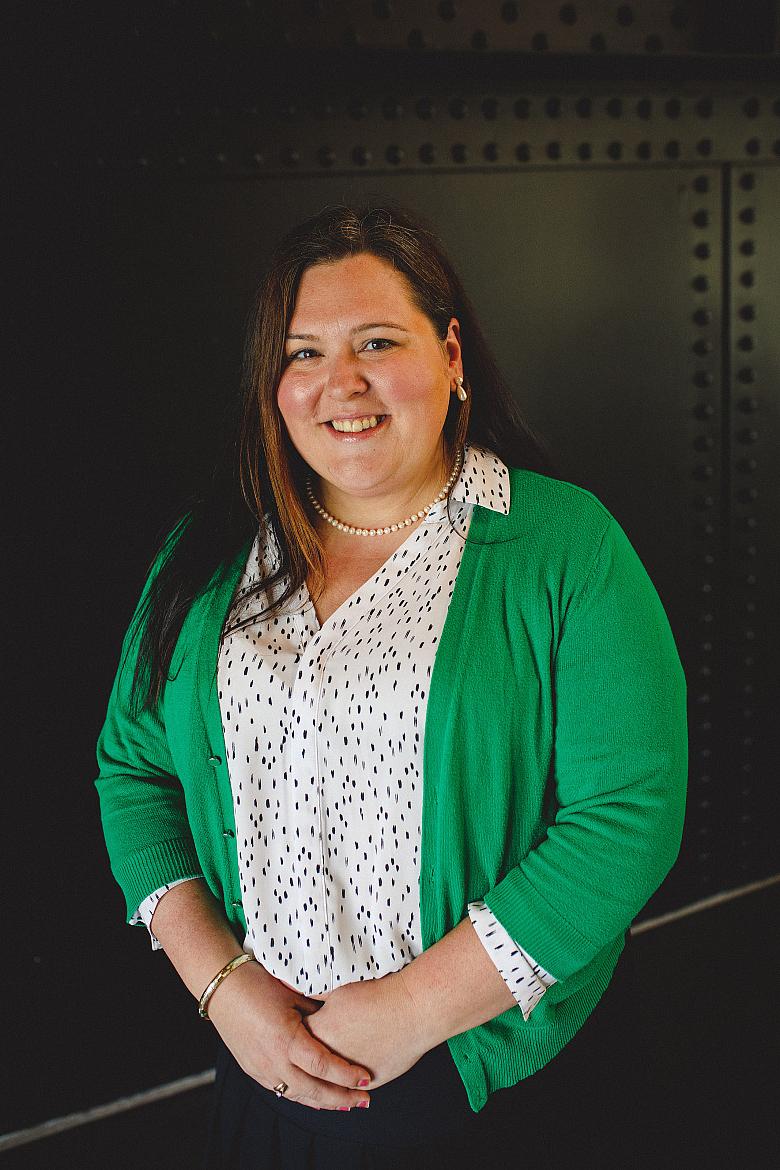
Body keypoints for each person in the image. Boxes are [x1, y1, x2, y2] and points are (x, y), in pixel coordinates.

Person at [95, 200, 688, 1169]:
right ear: (272, 384)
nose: (342, 385)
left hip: (472, 1075)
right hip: (259, 1062)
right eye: (302, 354)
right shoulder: (206, 553)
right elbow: (133, 771)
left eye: (378, 341)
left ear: (452, 357)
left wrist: (411, 1014)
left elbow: (628, 811)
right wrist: (226, 991)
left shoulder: (563, 545)